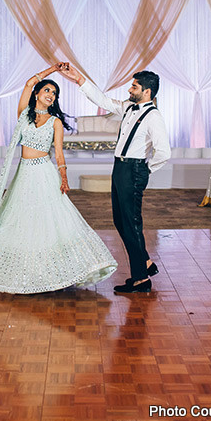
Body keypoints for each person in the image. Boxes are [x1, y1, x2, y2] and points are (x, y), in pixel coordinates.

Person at [0, 63, 117, 294]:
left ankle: (51, 274)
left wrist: (63, 177)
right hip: (24, 174)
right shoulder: (24, 115)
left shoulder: (56, 122)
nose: (51, 95)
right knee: (20, 224)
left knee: (48, 225)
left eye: (54, 93)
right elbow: (28, 82)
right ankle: (22, 274)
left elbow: (59, 153)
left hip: (44, 173)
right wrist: (53, 69)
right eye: (47, 90)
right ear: (37, 94)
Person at [60, 67, 170, 293]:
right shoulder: (129, 107)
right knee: (121, 221)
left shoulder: (154, 117)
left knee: (132, 223)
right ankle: (145, 263)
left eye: (134, 86)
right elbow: (102, 99)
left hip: (134, 169)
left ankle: (141, 279)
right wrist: (80, 79)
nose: (130, 89)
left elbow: (163, 152)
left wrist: (145, 170)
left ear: (147, 92)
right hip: (120, 167)